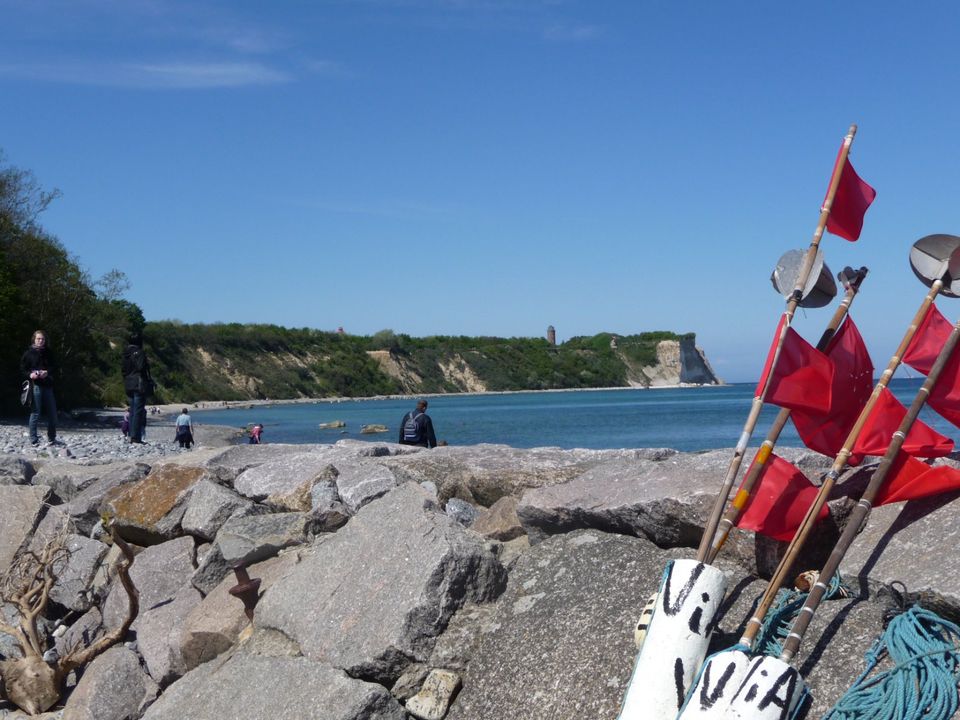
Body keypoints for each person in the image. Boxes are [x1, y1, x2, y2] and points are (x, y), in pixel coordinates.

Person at [20, 330, 59, 446]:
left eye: (42, 339)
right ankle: (33, 439)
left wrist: (47, 372)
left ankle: (52, 438)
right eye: (38, 339)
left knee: (52, 413)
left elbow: (55, 367)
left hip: (47, 385)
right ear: (34, 339)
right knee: (35, 412)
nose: (41, 341)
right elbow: (22, 369)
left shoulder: (49, 353)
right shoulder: (28, 353)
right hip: (35, 385)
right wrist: (30, 375)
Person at [121, 336, 153, 444]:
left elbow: (123, 371)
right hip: (138, 384)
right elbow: (141, 368)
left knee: (133, 411)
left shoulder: (125, 354)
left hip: (128, 383)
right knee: (138, 411)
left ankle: (131, 435)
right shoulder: (139, 353)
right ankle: (135, 437)